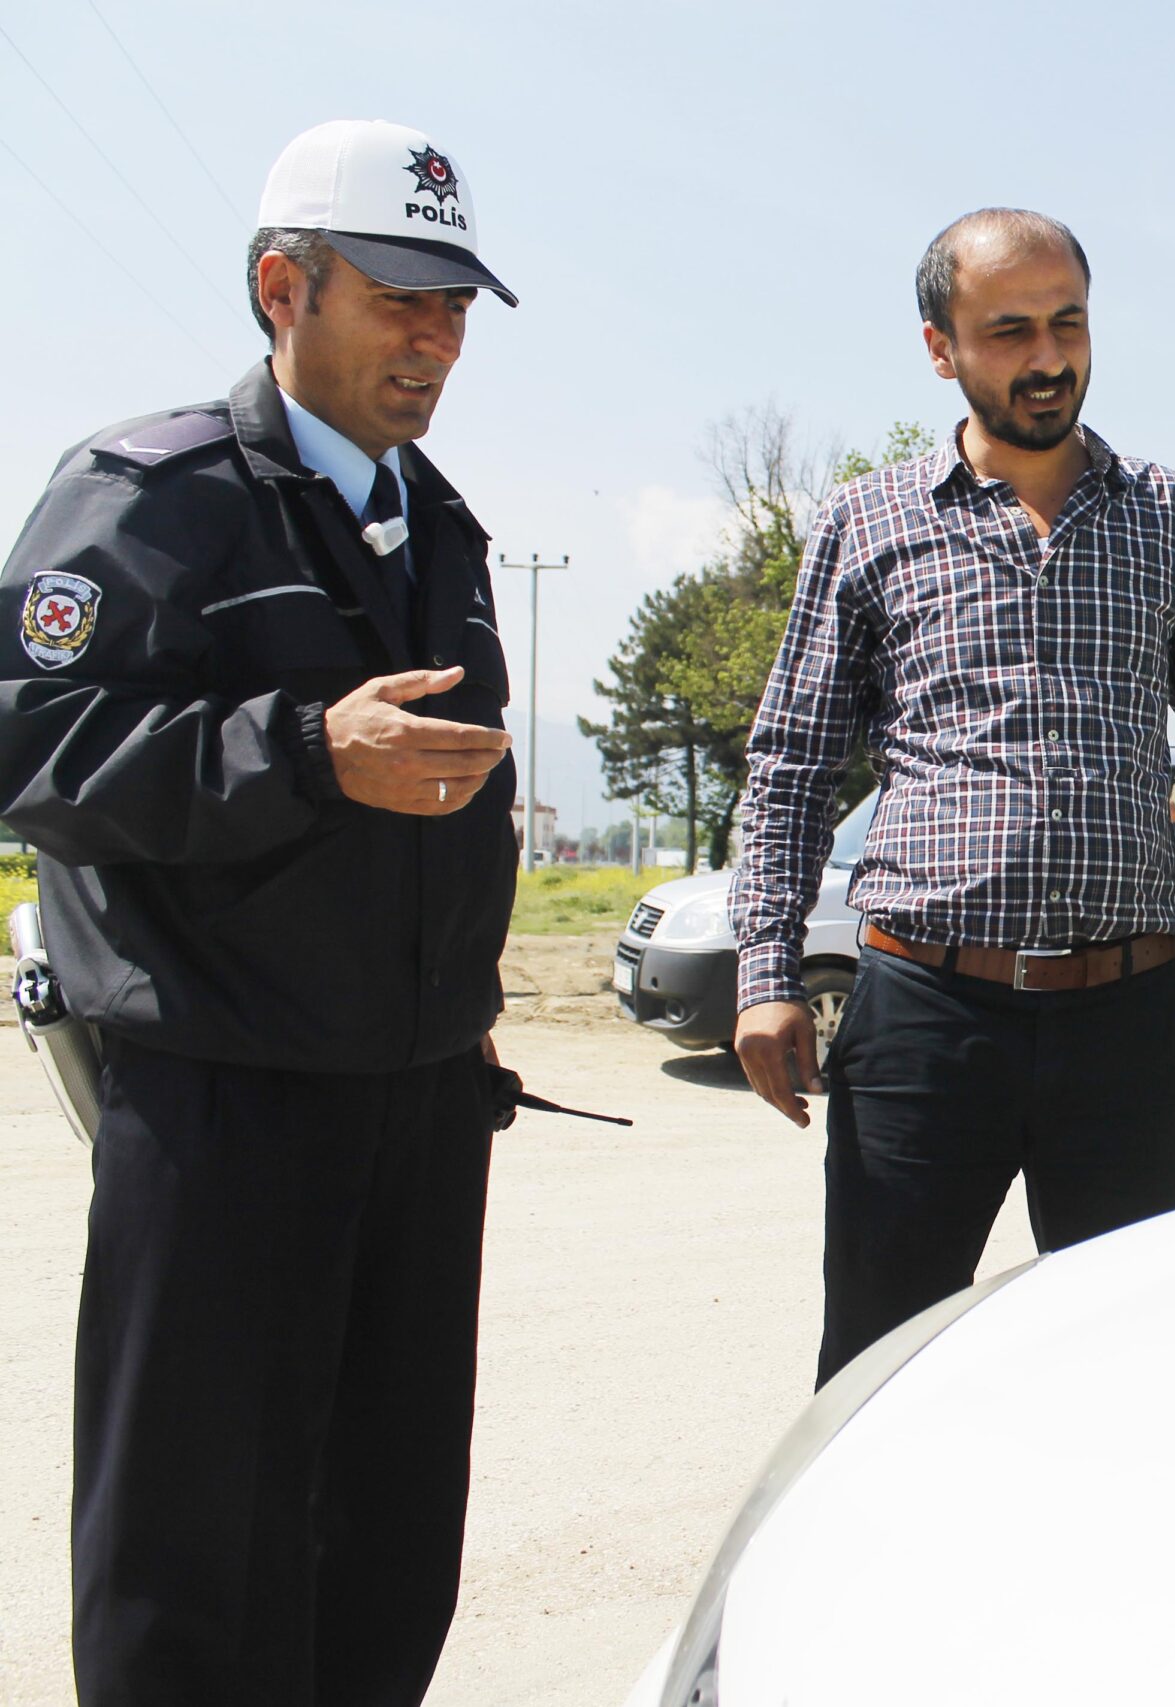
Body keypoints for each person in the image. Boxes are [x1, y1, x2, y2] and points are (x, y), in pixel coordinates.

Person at [0, 119, 520, 1705]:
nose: (436, 342)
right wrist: (299, 748)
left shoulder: (446, 528)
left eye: (456, 310)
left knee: (386, 1534)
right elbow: (32, 744)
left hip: (417, 1105)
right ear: (282, 286)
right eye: (401, 300)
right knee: (197, 1552)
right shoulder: (147, 495)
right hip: (225, 1105)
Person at [730, 208, 1175, 1384]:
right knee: (881, 1372)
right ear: (941, 348)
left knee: (1126, 1366)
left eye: (1069, 321)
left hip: (1126, 1026)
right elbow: (788, 763)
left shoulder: (1169, 517)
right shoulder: (864, 521)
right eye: (1010, 330)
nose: (1048, 357)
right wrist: (768, 974)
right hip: (927, 1021)